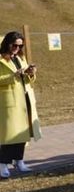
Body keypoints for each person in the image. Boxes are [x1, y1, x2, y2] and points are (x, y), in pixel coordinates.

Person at [0, 32, 41, 178]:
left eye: (20, 45)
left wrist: (31, 73)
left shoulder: (19, 58)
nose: (17, 48)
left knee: (22, 134)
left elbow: (27, 81)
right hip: (8, 102)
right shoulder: (1, 60)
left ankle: (19, 160)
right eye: (14, 45)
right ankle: (3, 164)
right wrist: (13, 76)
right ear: (7, 43)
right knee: (8, 135)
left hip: (24, 100)